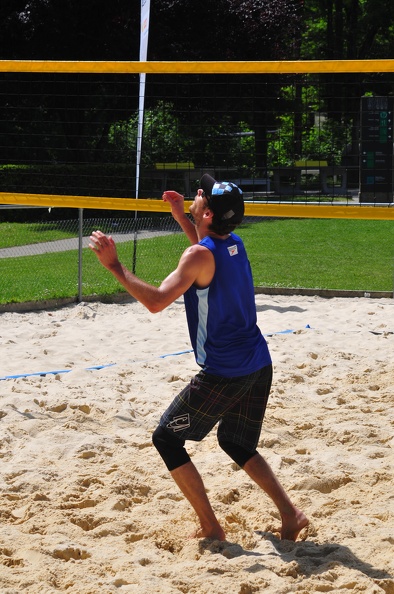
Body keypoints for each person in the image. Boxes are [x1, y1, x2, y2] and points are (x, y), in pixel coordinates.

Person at [89, 174, 309, 542]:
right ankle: (291, 513)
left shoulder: (199, 254)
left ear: (207, 215)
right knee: (237, 443)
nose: (196, 194)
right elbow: (204, 254)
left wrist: (114, 265)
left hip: (226, 372)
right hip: (258, 363)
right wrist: (181, 216)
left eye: (201, 196)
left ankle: (210, 526)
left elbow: (157, 301)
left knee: (166, 438)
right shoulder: (233, 243)